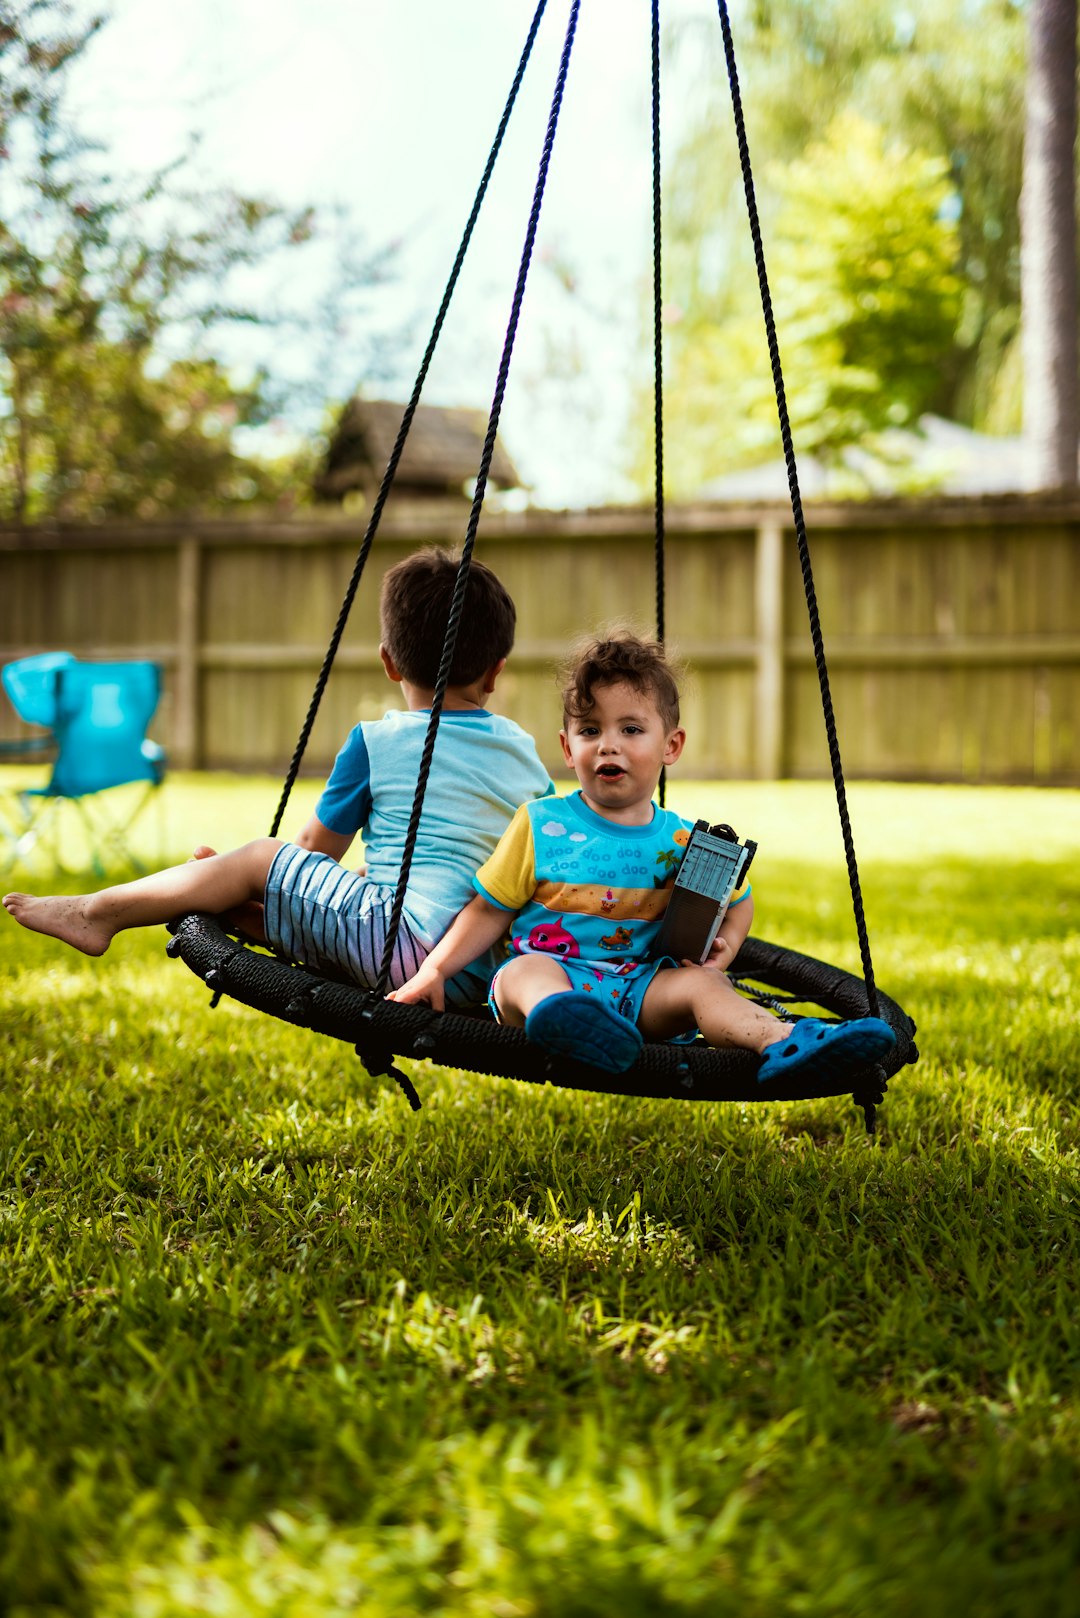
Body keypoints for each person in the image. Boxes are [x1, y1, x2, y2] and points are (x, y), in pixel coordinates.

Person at [3, 548, 553, 1007]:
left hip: (402, 952)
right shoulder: (525, 756)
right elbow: (522, 865)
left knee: (261, 860)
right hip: (482, 971)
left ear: (389, 662)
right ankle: (243, 911)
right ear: (497, 671)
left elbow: (316, 849)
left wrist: (258, 878)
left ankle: (96, 913)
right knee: (361, 882)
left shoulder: (378, 742)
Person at [388, 631, 897, 1083]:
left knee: (704, 984)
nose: (608, 745)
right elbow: (488, 909)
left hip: (643, 991)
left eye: (631, 730)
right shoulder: (540, 824)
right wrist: (433, 972)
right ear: (568, 748)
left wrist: (728, 943)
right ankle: (569, 1024)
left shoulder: (683, 842)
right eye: (590, 731)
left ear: (670, 745)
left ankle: (782, 1040)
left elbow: (739, 899)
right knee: (524, 974)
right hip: (552, 978)